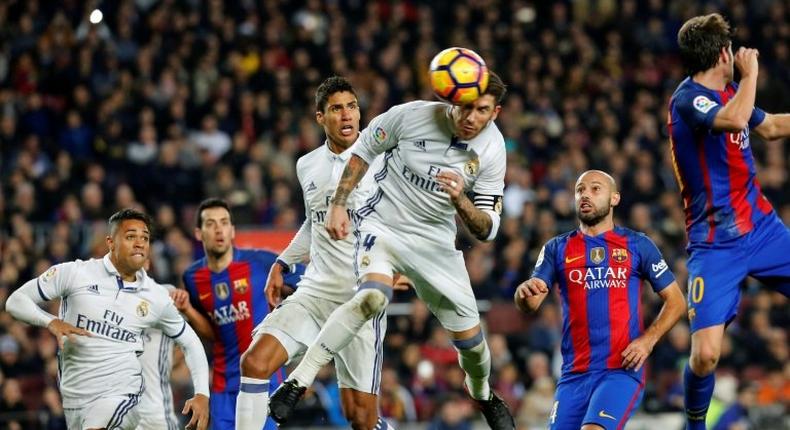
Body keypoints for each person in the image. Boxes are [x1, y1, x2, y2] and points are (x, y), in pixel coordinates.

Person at [270, 72, 516, 429]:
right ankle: (298, 380)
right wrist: (339, 204)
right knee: (371, 299)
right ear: (451, 98)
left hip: (435, 244)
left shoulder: (492, 150)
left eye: (481, 110)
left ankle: (482, 394)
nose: (470, 118)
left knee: (474, 347)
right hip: (382, 225)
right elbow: (364, 150)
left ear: (495, 113)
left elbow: (488, 229)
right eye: (464, 107)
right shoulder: (411, 116)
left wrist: (460, 200)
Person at [236, 76, 404, 430]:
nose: (346, 115)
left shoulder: (386, 163)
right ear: (320, 118)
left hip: (361, 299)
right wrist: (284, 260)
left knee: (360, 419)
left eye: (352, 107)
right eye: (336, 108)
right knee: (254, 362)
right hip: (314, 293)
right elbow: (314, 223)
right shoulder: (306, 165)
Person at [668, 13, 790, 430]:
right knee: (704, 355)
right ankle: (695, 424)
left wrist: (744, 84)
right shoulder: (688, 100)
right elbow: (736, 120)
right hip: (715, 243)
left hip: (762, 229)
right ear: (724, 53)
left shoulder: (731, 93)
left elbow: (771, 127)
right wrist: (753, 71)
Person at [4, 209, 210, 430]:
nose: (140, 243)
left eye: (145, 238)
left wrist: (202, 393)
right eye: (131, 236)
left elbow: (190, 341)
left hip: (123, 395)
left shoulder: (156, 296)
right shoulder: (75, 273)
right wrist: (51, 322)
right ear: (111, 242)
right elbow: (15, 301)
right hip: (75, 398)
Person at [514, 170, 686, 430]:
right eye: (580, 190)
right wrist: (523, 293)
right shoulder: (556, 248)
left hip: (620, 370)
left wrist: (647, 341)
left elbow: (676, 301)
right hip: (573, 375)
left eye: (595, 189)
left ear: (614, 198)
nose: (585, 195)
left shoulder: (638, 245)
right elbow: (530, 305)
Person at [173, 198, 303, 430]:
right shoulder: (193, 277)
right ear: (198, 233)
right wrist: (188, 310)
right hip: (223, 387)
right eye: (210, 223)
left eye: (224, 222)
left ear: (232, 230)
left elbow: (308, 282)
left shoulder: (262, 263)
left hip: (265, 378)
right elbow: (213, 333)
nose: (218, 229)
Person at [136, 282, 179, 430]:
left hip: (156, 414)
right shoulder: (108, 297)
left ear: (147, 263)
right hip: (121, 415)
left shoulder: (165, 292)